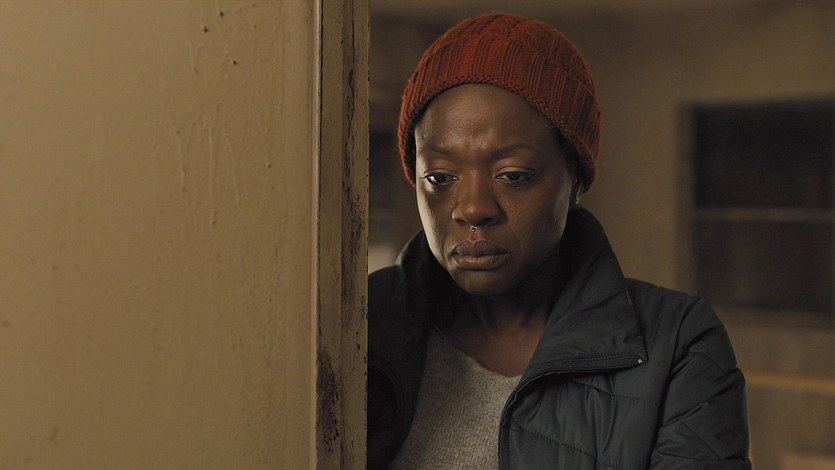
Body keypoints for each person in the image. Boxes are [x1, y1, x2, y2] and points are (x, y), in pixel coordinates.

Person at [368, 12, 751, 470]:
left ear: (575, 180)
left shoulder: (678, 345)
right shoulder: (356, 323)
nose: (472, 208)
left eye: (513, 175)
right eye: (439, 177)